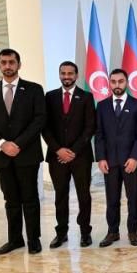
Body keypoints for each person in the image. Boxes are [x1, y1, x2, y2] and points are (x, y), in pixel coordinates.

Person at [0, 48, 46, 255]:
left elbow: (39, 119)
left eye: (11, 62)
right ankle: (15, 240)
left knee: (30, 198)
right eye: (4, 62)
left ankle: (33, 239)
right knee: (11, 200)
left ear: (19, 64)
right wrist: (2, 144)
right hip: (2, 156)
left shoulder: (34, 89)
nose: (7, 66)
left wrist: (17, 144)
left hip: (27, 154)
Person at [42, 61, 96, 249]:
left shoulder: (87, 97)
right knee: (60, 196)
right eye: (63, 73)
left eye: (70, 73)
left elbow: (90, 127)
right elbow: (45, 127)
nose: (66, 76)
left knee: (84, 196)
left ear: (76, 75)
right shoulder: (49, 97)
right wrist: (58, 149)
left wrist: (73, 151)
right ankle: (61, 233)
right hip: (56, 157)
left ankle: (85, 233)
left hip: (80, 157)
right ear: (59, 74)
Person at [96, 68, 137, 247]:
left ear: (126, 83)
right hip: (110, 162)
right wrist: (101, 158)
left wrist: (135, 157)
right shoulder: (102, 106)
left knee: (133, 199)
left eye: (120, 81)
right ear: (109, 83)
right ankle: (113, 232)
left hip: (131, 162)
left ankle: (133, 232)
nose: (117, 85)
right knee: (112, 199)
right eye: (113, 82)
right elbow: (99, 134)